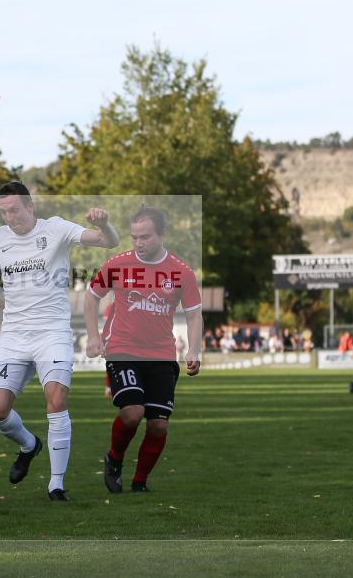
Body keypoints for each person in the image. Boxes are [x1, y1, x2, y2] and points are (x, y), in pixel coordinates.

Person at [0, 181, 119, 501]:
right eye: (3, 212)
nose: (9, 217)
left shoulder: (55, 228)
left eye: (14, 210)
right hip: (13, 336)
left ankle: (56, 484)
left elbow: (105, 240)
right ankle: (29, 446)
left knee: (56, 400)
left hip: (52, 333)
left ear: (30, 206)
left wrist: (104, 224)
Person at [84, 205, 202, 493]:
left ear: (163, 234)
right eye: (134, 237)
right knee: (132, 413)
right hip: (122, 350)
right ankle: (114, 458)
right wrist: (93, 336)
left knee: (158, 425)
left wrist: (194, 350)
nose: (138, 243)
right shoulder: (117, 264)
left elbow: (194, 314)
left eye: (145, 237)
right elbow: (90, 297)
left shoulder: (181, 272)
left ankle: (140, 483)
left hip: (162, 354)